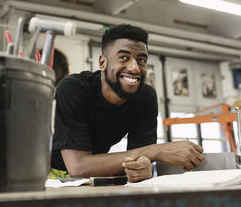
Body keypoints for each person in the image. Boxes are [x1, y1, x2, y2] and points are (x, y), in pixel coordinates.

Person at [50, 24, 204, 182]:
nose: (135, 68)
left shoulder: (145, 97)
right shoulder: (73, 89)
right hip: (51, 174)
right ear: (102, 63)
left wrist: (142, 167)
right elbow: (78, 167)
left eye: (141, 60)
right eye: (124, 57)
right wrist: (158, 151)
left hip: (96, 174)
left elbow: (141, 156)